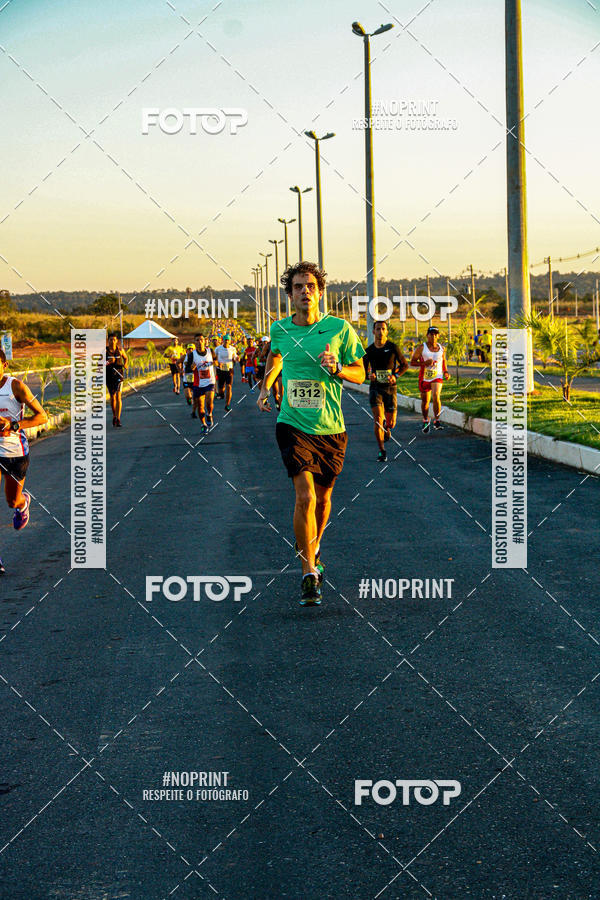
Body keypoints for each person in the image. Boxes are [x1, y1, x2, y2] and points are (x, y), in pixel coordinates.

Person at [257, 261, 365, 606]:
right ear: (290, 294)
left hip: (331, 427)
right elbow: (274, 358)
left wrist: (339, 368)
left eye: (311, 286)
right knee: (304, 497)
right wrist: (265, 389)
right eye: (299, 286)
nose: (306, 291)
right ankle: (308, 572)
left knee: (323, 500)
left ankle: (313, 546)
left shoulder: (339, 329)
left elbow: (361, 374)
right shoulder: (280, 331)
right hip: (292, 423)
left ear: (320, 293)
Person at [0, 348, 48, 573]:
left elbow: (42, 416)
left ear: (4, 366)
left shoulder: (16, 387)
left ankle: (22, 504)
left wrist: (13, 425)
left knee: (12, 501)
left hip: (16, 453)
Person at [363, 320, 408, 461]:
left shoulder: (393, 347)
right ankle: (382, 450)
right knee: (377, 420)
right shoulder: (369, 351)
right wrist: (369, 375)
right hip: (375, 388)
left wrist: (395, 376)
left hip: (390, 388)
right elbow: (363, 372)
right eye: (378, 329)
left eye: (383, 329)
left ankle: (387, 428)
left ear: (386, 331)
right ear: (373, 331)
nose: (380, 331)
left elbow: (405, 365)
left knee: (390, 423)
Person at [410, 325, 450, 433]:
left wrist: (445, 371)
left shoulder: (442, 348)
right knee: (425, 401)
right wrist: (424, 363)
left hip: (437, 376)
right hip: (425, 377)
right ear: (427, 335)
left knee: (436, 395)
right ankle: (425, 419)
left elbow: (443, 361)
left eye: (435, 334)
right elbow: (412, 362)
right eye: (431, 334)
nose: (433, 336)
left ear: (438, 336)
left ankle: (437, 420)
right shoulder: (421, 348)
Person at [188, 333, 215, 433]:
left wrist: (218, 363)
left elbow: (216, 361)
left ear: (205, 341)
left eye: (201, 340)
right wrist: (192, 367)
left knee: (209, 402)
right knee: (200, 407)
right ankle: (203, 423)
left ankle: (210, 414)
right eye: (197, 340)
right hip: (198, 383)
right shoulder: (192, 355)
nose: (199, 342)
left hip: (209, 381)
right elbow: (188, 369)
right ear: (194, 342)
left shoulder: (210, 352)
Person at [106, 334, 128, 427]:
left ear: (117, 341)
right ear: (108, 340)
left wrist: (126, 364)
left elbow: (126, 358)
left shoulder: (120, 350)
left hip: (119, 376)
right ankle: (114, 415)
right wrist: (108, 362)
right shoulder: (104, 351)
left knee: (118, 396)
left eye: (114, 340)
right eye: (111, 340)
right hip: (109, 376)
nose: (112, 341)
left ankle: (118, 419)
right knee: (112, 397)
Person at [214, 334, 239, 411]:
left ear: (230, 341)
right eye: (225, 340)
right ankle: (221, 393)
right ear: (223, 340)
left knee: (229, 387)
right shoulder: (218, 349)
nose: (226, 341)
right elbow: (214, 359)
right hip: (220, 370)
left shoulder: (232, 349)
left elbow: (234, 357)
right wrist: (218, 363)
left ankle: (227, 404)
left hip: (229, 370)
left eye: (228, 340)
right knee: (221, 389)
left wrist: (236, 358)